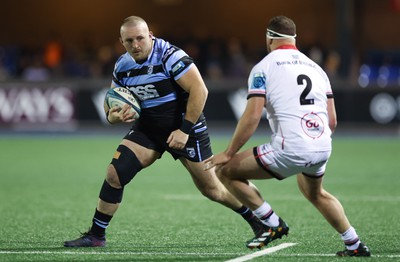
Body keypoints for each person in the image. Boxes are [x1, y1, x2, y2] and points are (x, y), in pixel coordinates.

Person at [64, 16, 264, 248]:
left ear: (150, 35)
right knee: (114, 174)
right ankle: (97, 236)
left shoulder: (170, 56)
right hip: (148, 129)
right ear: (121, 41)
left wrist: (184, 130)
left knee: (212, 189)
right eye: (129, 41)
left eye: (140, 38)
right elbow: (111, 103)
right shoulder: (122, 65)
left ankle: (258, 219)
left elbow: (200, 90)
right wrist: (113, 116)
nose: (136, 44)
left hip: (185, 128)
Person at [205, 16, 371, 257]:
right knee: (316, 193)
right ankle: (354, 244)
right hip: (322, 144)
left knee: (226, 171)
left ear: (269, 37)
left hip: (291, 147)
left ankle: (272, 224)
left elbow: (252, 117)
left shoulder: (264, 66)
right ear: (294, 39)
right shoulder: (316, 68)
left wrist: (229, 152)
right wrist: (313, 145)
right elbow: (332, 120)